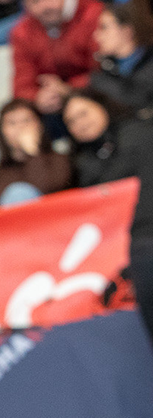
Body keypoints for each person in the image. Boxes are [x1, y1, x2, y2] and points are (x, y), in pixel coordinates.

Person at [63, 89, 153, 341]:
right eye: (71, 121)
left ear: (101, 106)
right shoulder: (78, 163)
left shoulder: (139, 133)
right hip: (128, 251)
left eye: (84, 113)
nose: (80, 123)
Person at [10, 0, 104, 120]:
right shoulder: (22, 33)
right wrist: (37, 98)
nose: (45, 6)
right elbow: (21, 85)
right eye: (35, 1)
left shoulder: (94, 16)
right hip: (53, 106)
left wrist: (70, 89)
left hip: (97, 95)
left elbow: (105, 71)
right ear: (26, 5)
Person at [0, 100, 75, 207]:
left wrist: (32, 152)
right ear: (2, 132)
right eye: (12, 123)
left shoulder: (60, 160)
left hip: (57, 218)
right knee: (18, 194)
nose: (21, 127)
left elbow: (47, 188)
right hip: (22, 222)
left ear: (40, 126)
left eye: (27, 121)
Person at [91, 3, 153, 117]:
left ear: (127, 30)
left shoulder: (149, 64)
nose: (96, 35)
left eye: (104, 27)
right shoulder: (101, 77)